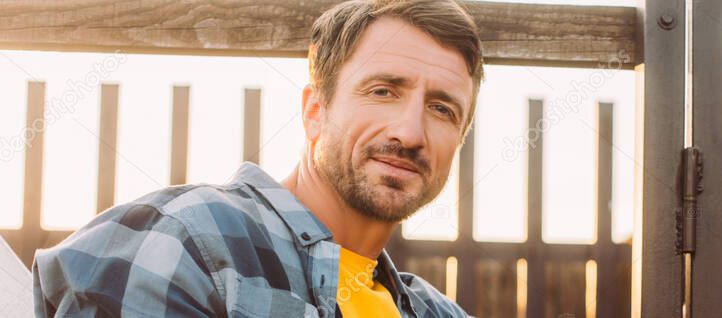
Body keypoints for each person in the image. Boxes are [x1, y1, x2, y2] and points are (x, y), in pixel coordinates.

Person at [32, 0, 483, 316]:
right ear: (314, 112)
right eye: (383, 91)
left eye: (442, 109)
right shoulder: (188, 238)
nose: (410, 132)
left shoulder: (437, 311)